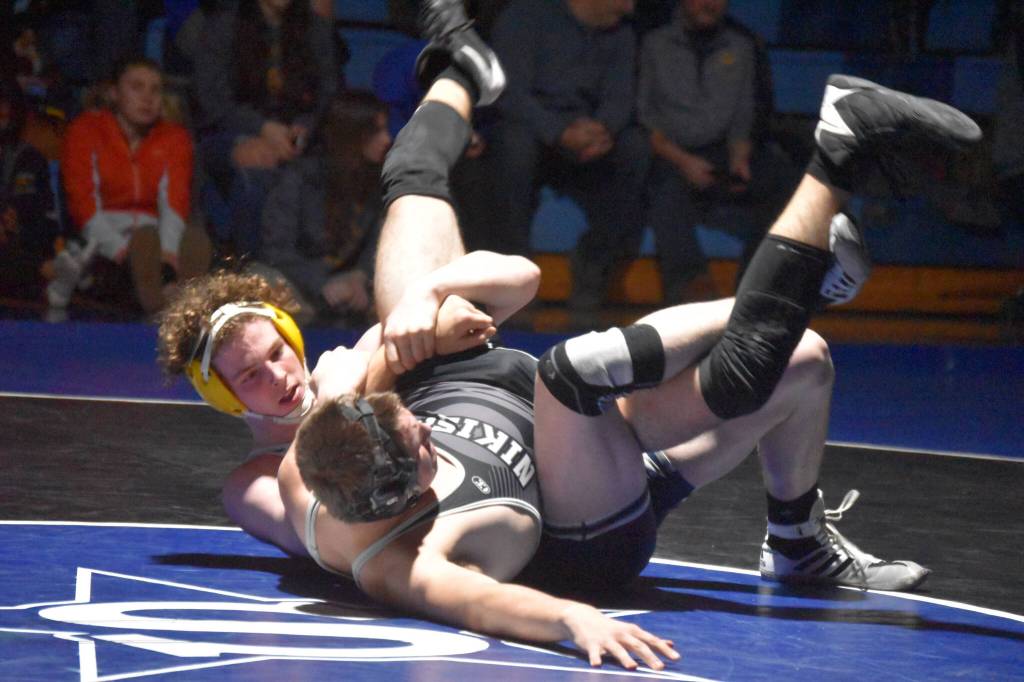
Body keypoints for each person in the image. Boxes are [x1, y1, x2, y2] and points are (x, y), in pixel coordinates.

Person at [281, 0, 980, 667]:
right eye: (423, 446)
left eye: (407, 420)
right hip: (587, 510)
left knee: (409, 181)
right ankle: (834, 171)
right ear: (404, 495)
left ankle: (461, 69)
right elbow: (482, 601)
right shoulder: (401, 562)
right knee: (636, 368)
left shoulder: (343, 431)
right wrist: (570, 619)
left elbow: (503, 285)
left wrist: (416, 317)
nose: (428, 429)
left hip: (520, 401)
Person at [155, 266, 496, 556]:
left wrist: (435, 296)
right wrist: (334, 400)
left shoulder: (367, 357)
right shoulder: (249, 486)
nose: (276, 377)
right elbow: (327, 542)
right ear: (223, 396)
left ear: (292, 338)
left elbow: (519, 285)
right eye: (250, 376)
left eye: (276, 353)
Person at [487, 0, 651, 310]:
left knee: (636, 148)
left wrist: (603, 130)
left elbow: (621, 97)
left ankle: (593, 264)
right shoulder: (523, 18)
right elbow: (509, 93)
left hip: (588, 139)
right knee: (513, 144)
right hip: (535, 131)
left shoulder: (622, 34)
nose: (631, 7)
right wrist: (558, 131)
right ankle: (514, 276)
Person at [638, 0, 799, 302]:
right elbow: (644, 119)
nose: (710, 4)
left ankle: (756, 287)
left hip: (724, 152)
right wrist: (684, 162)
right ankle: (690, 286)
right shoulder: (654, 43)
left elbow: (745, 116)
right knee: (661, 185)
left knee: (785, 181)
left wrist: (740, 156)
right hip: (670, 153)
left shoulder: (742, 45)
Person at [58, 55, 211, 314]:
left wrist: (167, 258)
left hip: (156, 241)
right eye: (137, 87)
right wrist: (124, 253)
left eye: (155, 89)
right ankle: (161, 307)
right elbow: (84, 207)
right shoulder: (85, 130)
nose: (148, 98)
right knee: (142, 246)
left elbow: (174, 204)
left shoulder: (174, 138)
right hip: (105, 242)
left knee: (193, 240)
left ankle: (175, 306)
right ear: (114, 93)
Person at [191, 0, 338, 257]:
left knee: (306, 172)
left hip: (296, 137)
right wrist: (262, 128)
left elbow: (326, 91)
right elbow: (211, 100)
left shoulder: (313, 27)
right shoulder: (225, 25)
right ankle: (248, 267)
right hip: (230, 131)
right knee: (256, 165)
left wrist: (303, 127)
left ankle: (300, 274)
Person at [254, 91, 392, 324]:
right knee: (260, 280)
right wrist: (321, 283)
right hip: (299, 280)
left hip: (349, 282)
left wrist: (360, 276)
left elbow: (379, 241)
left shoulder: (378, 180)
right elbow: (276, 251)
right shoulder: (300, 179)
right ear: (351, 135)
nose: (387, 139)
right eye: (375, 132)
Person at [0, 76, 58, 302]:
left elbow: (40, 217)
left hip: (18, 246)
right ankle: (42, 269)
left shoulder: (29, 158)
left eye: (4, 104)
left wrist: (13, 221)